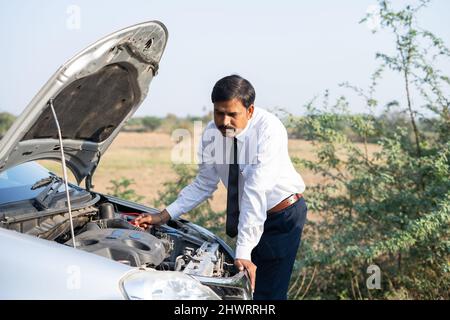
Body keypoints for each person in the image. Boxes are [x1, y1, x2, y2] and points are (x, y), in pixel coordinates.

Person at [135, 75, 307, 300]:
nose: (224, 121)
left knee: (267, 295)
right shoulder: (210, 134)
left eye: (232, 114)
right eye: (219, 113)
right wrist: (162, 216)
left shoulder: (269, 130)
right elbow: (203, 184)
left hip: (281, 216)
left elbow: (256, 191)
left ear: (250, 110)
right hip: (251, 218)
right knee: (243, 292)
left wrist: (243, 252)